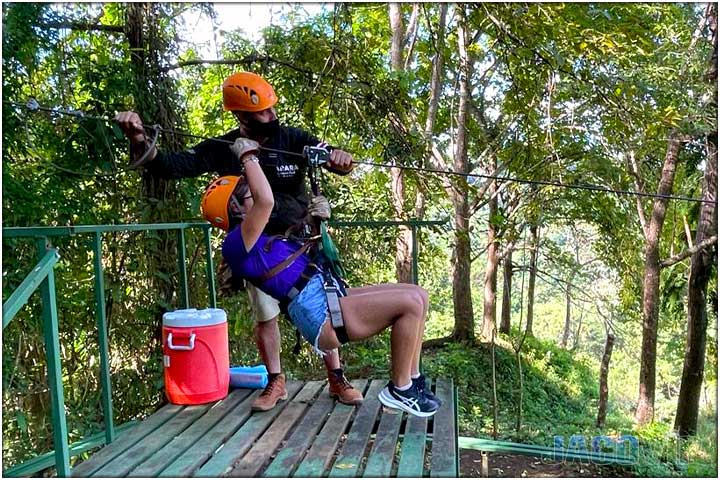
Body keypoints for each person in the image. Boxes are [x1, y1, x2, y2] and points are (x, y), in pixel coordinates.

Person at [115, 71, 363, 411]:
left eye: (272, 109)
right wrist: (140, 140)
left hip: (301, 242)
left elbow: (328, 155)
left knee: (326, 308)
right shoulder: (225, 149)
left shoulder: (291, 139)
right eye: (262, 113)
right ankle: (276, 381)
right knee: (266, 315)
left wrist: (340, 158)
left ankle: (336, 378)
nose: (271, 117)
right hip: (258, 249)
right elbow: (172, 165)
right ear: (241, 116)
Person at [200, 137, 441, 417]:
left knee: (417, 295)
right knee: (409, 305)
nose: (255, 196)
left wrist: (316, 218)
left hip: (325, 297)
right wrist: (248, 157)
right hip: (320, 315)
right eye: (247, 195)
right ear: (236, 209)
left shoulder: (262, 241)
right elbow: (265, 201)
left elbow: (305, 250)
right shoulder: (235, 245)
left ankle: (411, 380)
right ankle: (399, 389)